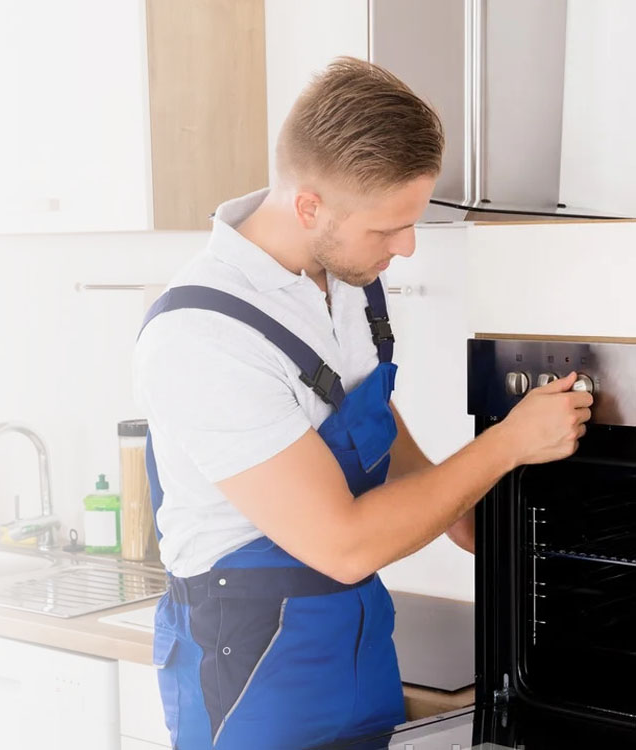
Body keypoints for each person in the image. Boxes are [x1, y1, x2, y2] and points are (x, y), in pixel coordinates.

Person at [132, 57, 593, 750]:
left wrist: (463, 515)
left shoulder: (345, 277)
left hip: (359, 645)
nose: (405, 248)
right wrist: (505, 445)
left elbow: (364, 419)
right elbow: (342, 545)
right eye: (387, 229)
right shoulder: (203, 335)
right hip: (250, 671)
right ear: (309, 207)